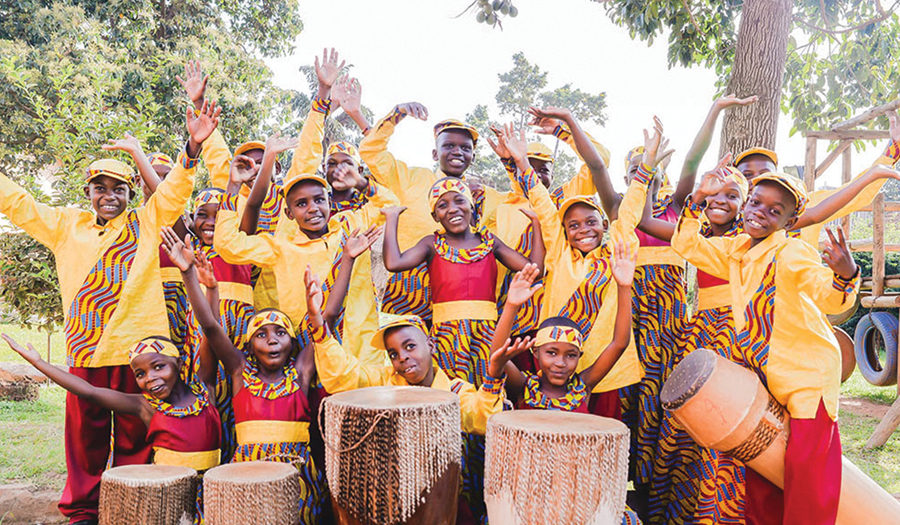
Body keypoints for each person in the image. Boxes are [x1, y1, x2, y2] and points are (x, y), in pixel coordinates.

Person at [0, 100, 215, 524]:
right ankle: (82, 511)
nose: (109, 196)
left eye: (118, 189)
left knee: (137, 437)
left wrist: (191, 148)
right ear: (88, 192)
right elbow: (20, 204)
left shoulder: (147, 221)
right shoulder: (65, 224)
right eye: (100, 188)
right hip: (87, 350)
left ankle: (129, 505)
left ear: (129, 193)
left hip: (140, 352)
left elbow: (174, 192)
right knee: (85, 438)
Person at [672, 170, 860, 525]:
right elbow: (687, 245)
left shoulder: (792, 252)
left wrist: (845, 275)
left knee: (808, 476)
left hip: (807, 377)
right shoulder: (735, 250)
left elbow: (829, 298)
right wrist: (698, 197)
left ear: (790, 220)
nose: (761, 212)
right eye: (756, 202)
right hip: (765, 376)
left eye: (775, 211)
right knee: (762, 466)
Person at [161, 227, 326, 523]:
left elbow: (327, 320)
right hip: (245, 476)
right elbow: (210, 327)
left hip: (297, 476)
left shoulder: (301, 373)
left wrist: (317, 309)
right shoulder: (239, 371)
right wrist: (190, 275)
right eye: (261, 334)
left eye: (280, 333)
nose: (272, 339)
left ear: (292, 344)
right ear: (248, 346)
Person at [3, 333, 220, 524]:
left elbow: (209, 328)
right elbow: (90, 392)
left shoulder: (204, 390)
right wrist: (40, 363)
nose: (150, 378)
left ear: (179, 364)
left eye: (158, 366)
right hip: (168, 494)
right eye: (140, 374)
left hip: (211, 493)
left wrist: (210, 290)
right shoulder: (146, 407)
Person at [213, 151, 398, 359]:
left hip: (360, 350)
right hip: (309, 353)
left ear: (329, 202)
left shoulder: (350, 225)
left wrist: (361, 183)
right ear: (289, 213)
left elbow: (392, 206)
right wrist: (233, 186)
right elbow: (227, 244)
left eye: (319, 200)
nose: (312, 209)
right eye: (301, 204)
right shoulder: (280, 247)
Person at [380, 178, 544, 388]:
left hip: (486, 332)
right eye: (442, 205)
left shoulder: (489, 242)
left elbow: (533, 270)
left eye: (459, 201)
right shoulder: (432, 243)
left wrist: (537, 226)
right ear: (434, 216)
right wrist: (392, 219)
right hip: (446, 334)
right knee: (447, 391)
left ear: (471, 205)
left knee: (489, 387)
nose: (452, 209)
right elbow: (394, 262)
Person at [360, 102, 502, 324]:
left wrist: (512, 160)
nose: (457, 151)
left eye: (465, 148)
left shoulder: (487, 196)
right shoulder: (410, 179)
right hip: (408, 292)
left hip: (463, 299)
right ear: (435, 154)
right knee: (405, 356)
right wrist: (397, 114)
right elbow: (371, 152)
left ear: (473, 156)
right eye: (449, 146)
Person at [734, 110, 900, 248]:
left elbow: (857, 194)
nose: (756, 179)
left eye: (764, 173)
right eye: (747, 175)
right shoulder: (729, 216)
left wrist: (893, 149)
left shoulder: (808, 204)